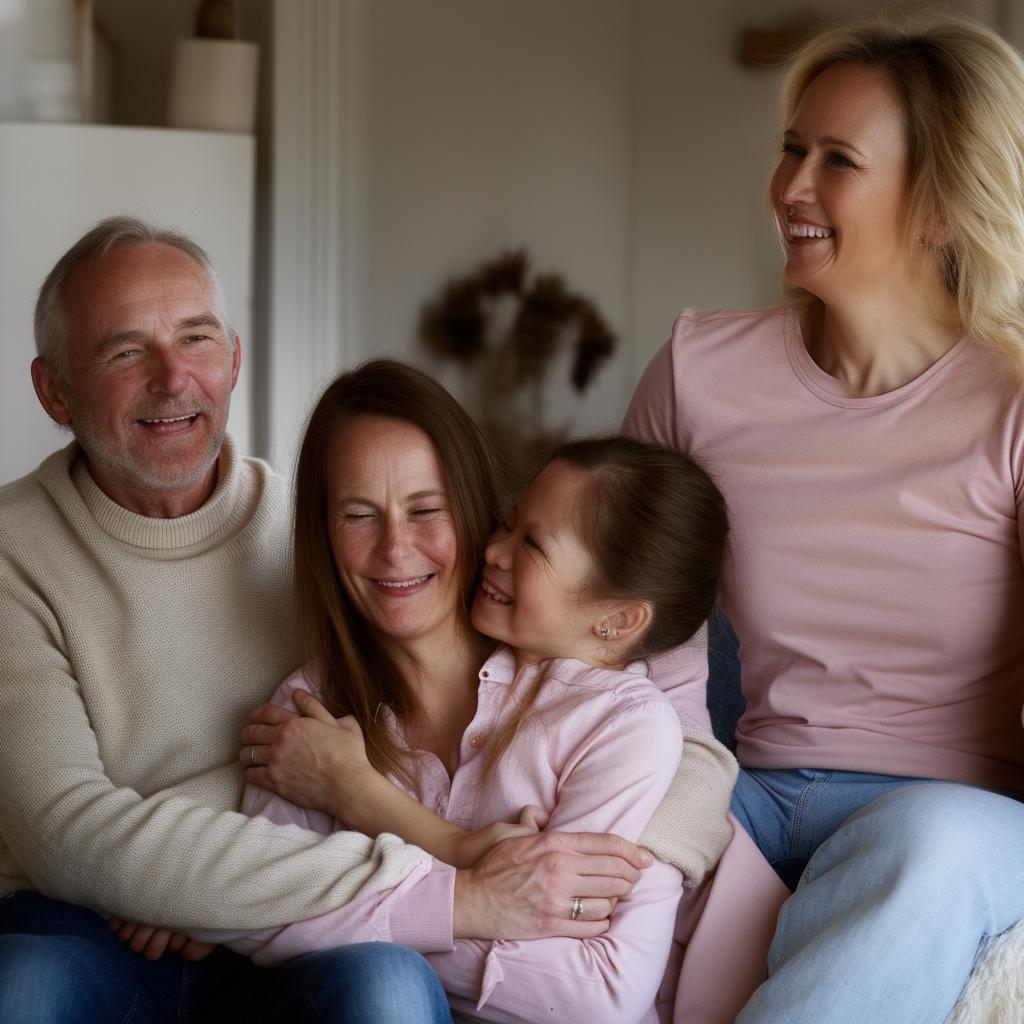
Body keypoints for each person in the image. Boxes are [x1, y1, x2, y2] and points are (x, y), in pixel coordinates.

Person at [0, 217, 659, 1023]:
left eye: (197, 339)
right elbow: (66, 832)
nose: (174, 378)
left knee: (383, 985)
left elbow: (635, 694)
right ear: (54, 391)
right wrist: (448, 876)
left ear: (234, 360)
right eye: (126, 351)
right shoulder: (16, 552)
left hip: (286, 929)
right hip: (89, 924)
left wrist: (665, 839)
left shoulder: (311, 528)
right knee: (28, 985)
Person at [624, 14, 1024, 1023]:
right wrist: (677, 783)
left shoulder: (1012, 401)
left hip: (952, 813)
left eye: (836, 160)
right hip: (748, 789)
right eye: (791, 150)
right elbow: (619, 608)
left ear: (936, 204)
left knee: (930, 850)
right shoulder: (700, 369)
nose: (791, 189)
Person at [232, 430, 730, 1023]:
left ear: (618, 620)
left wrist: (358, 813)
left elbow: (593, 999)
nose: (495, 551)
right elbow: (252, 910)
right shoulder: (313, 708)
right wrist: (474, 907)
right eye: (508, 524)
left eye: (534, 546)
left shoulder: (627, 727)